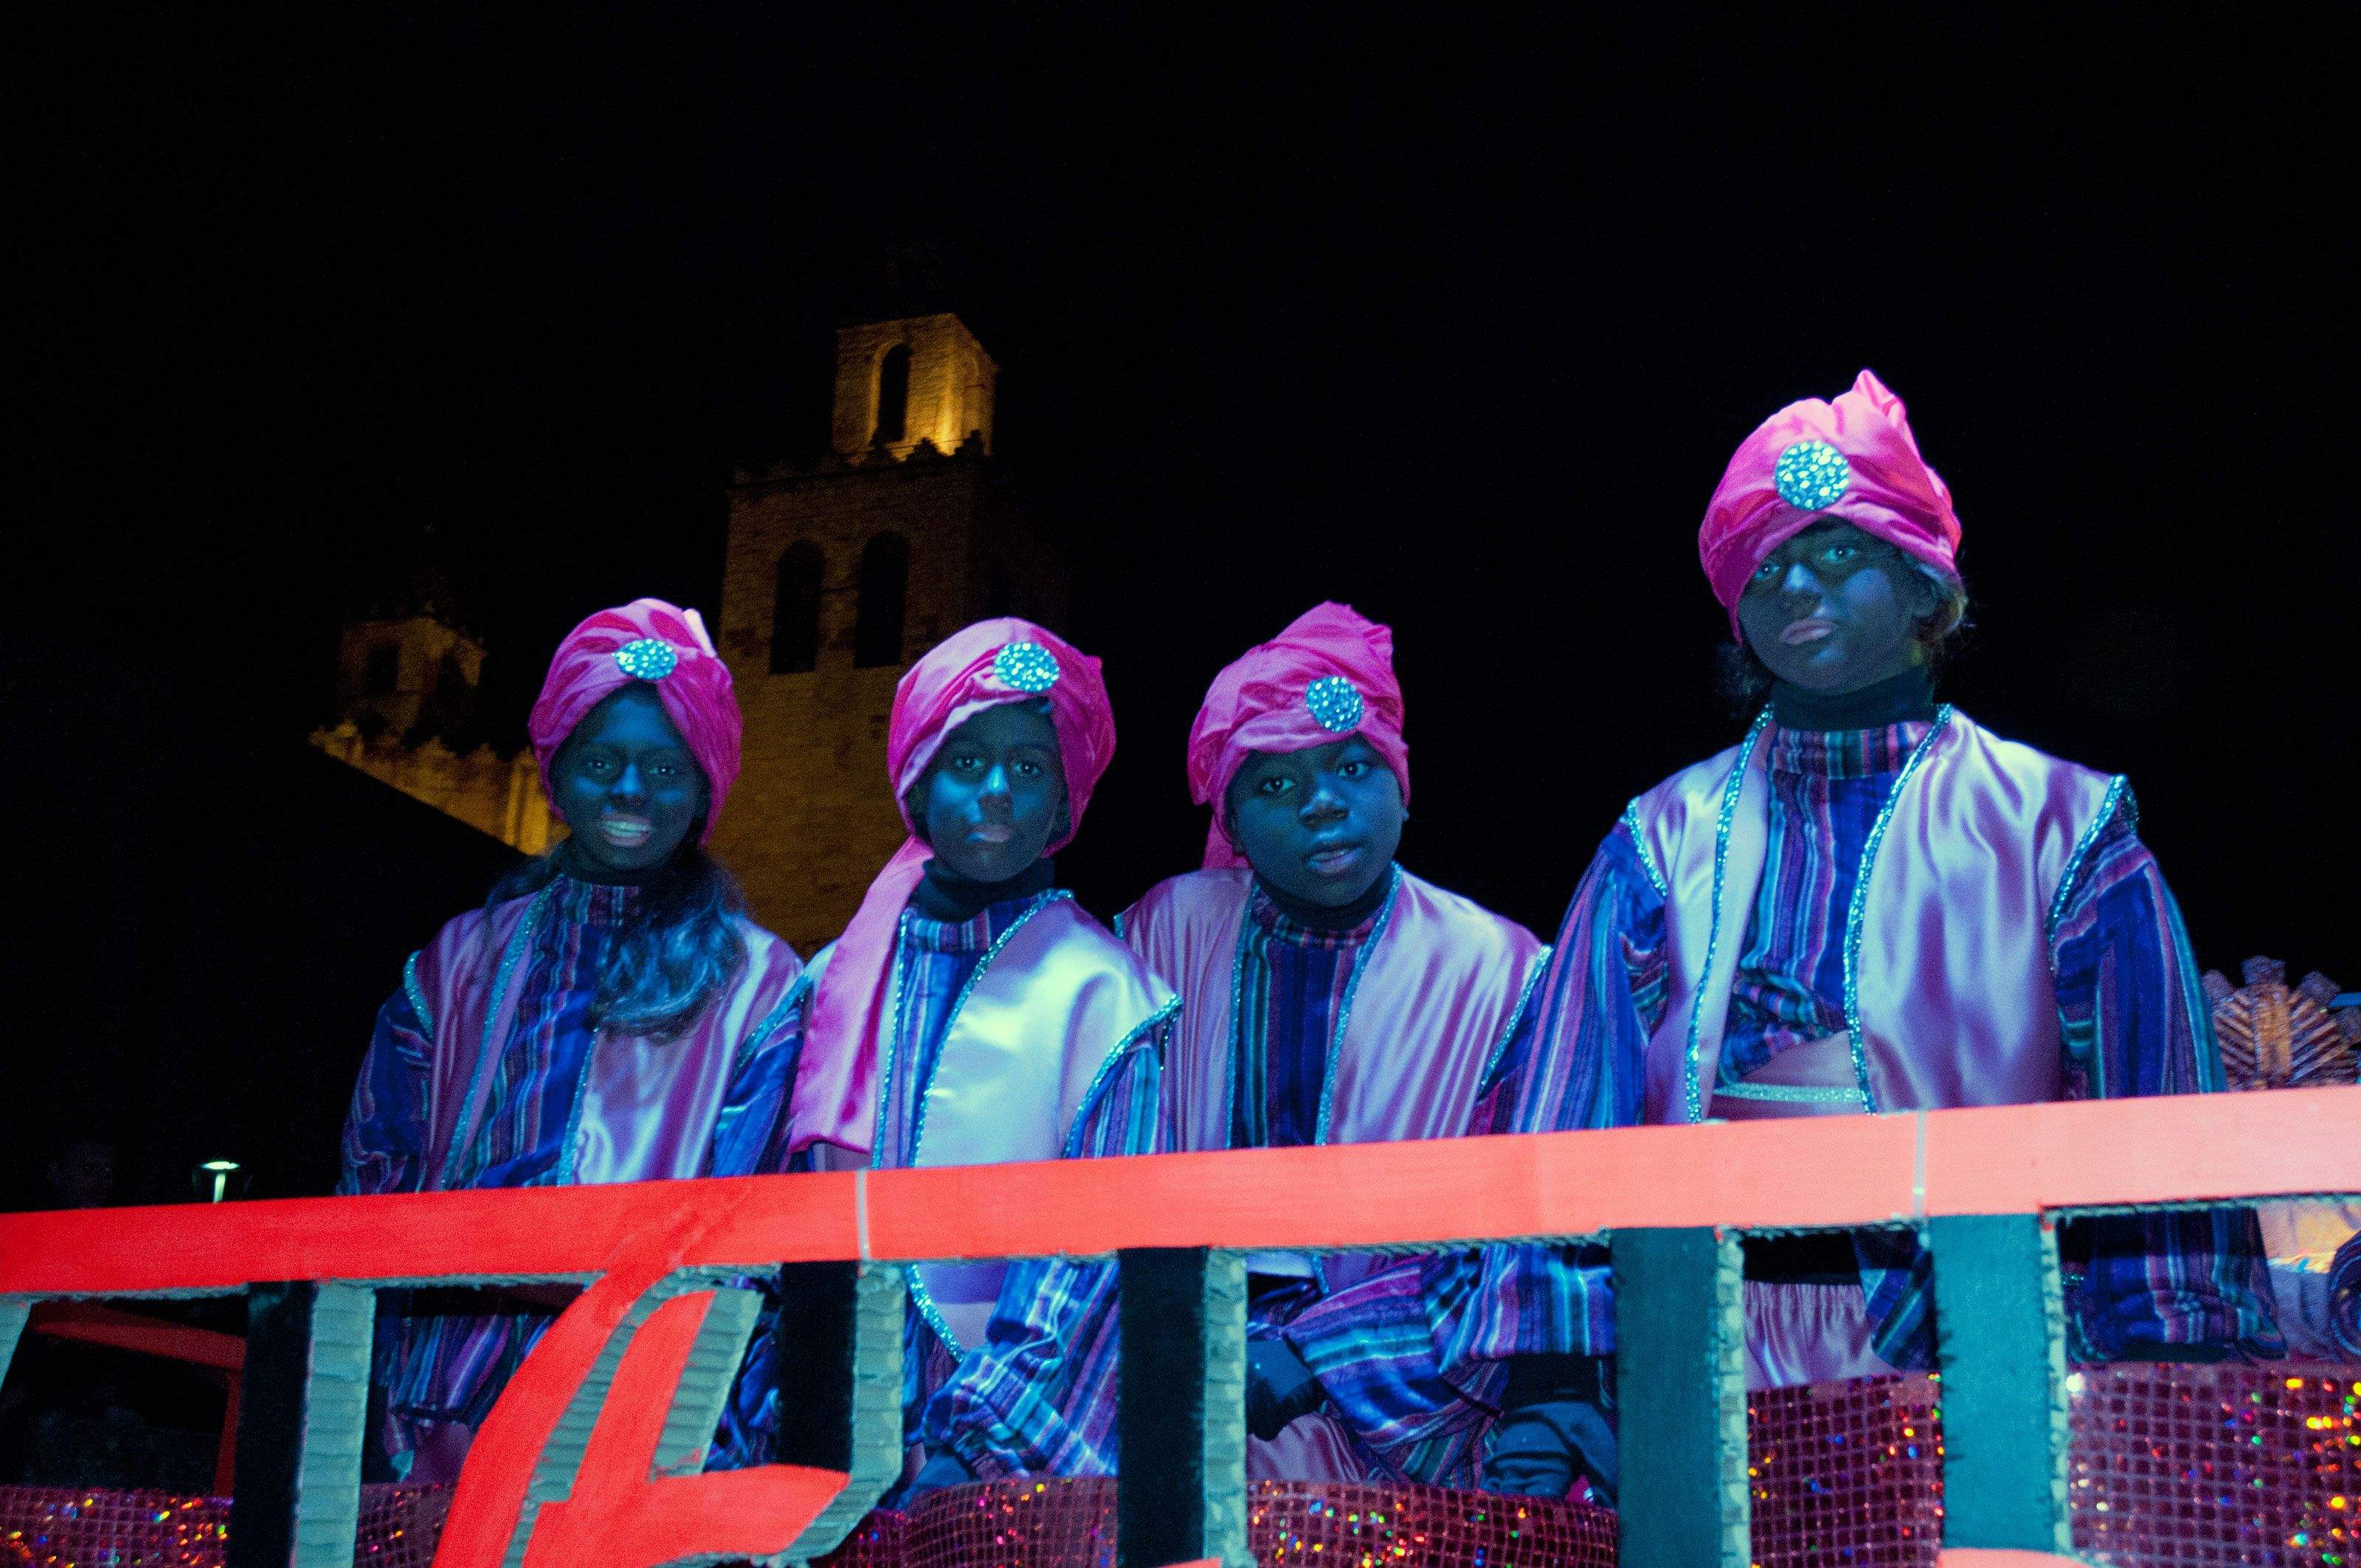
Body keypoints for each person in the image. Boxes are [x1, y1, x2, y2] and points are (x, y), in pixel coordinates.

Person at [1528, 370, 2279, 1386]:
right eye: (1767, 565)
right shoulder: (1657, 838)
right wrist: (1557, 1379)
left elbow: (2154, 1114)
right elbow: (1565, 1124)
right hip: (1695, 1350)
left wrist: (2163, 1360)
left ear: (1924, 583)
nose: (1797, 587)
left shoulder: (2060, 825)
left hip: (1981, 1355)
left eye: (1839, 553)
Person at [1118, 603, 1614, 1499]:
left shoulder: (1502, 970)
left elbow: (1526, 1234)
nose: (1320, 802)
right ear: (1228, 816)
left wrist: (1311, 1352)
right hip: (1170, 1370)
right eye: (1272, 786)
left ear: (1402, 785)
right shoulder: (1161, 939)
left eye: (1352, 768)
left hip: (1412, 1396)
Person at [339, 598, 806, 1481]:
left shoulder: (760, 986)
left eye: (665, 767)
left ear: (704, 783)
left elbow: (757, 1228)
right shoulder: (457, 965)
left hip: (647, 1426)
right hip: (441, 1415)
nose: (632, 791)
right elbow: (377, 1175)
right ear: (557, 773)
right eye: (602, 761)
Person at [716, 619, 1175, 1496]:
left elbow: (1094, 1259)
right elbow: (748, 1216)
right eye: (966, 763)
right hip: (797, 1435)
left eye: (1030, 768)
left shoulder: (1107, 996)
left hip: (985, 1460)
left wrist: (979, 1452)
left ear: (1065, 804)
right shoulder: (829, 982)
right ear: (917, 785)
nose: (997, 791)